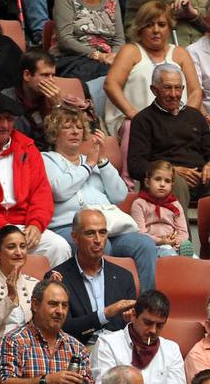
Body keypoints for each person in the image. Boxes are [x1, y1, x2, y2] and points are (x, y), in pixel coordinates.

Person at [0, 93, 73, 264]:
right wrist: (4, 226)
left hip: (25, 224)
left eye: (9, 119)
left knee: (58, 247)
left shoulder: (28, 147)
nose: (4, 125)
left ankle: (51, 291)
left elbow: (41, 191)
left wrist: (36, 224)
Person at [42, 114, 158, 292]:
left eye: (79, 128)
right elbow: (59, 191)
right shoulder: (47, 159)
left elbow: (119, 194)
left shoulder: (95, 159)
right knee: (102, 244)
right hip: (69, 227)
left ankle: (144, 305)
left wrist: (102, 161)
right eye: (68, 127)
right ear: (54, 133)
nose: (75, 132)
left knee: (145, 244)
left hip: (108, 226)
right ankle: (103, 307)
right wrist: (88, 165)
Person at [89, 289, 189, 384]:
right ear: (134, 315)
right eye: (147, 323)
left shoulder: (171, 349)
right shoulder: (108, 343)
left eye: (160, 325)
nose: (153, 331)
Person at [125, 64, 210, 212]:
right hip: (168, 181)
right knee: (174, 183)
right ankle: (182, 235)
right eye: (167, 88)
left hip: (202, 178)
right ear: (154, 90)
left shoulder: (195, 115)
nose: (174, 94)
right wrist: (171, 171)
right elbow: (136, 166)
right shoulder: (143, 120)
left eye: (178, 88)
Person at [103, 2, 202, 135]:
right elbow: (111, 85)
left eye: (161, 25)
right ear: (140, 29)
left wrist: (184, 119)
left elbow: (195, 91)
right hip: (134, 121)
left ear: (169, 28)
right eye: (149, 25)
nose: (156, 30)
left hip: (177, 121)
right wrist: (135, 115)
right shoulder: (130, 51)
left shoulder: (180, 53)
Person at [55, 208, 142, 345]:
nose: (98, 240)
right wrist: (105, 313)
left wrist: (131, 320)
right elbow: (62, 329)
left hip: (119, 351)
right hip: (79, 351)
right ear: (75, 237)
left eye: (102, 233)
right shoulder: (59, 278)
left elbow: (134, 328)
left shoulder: (124, 277)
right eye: (90, 233)